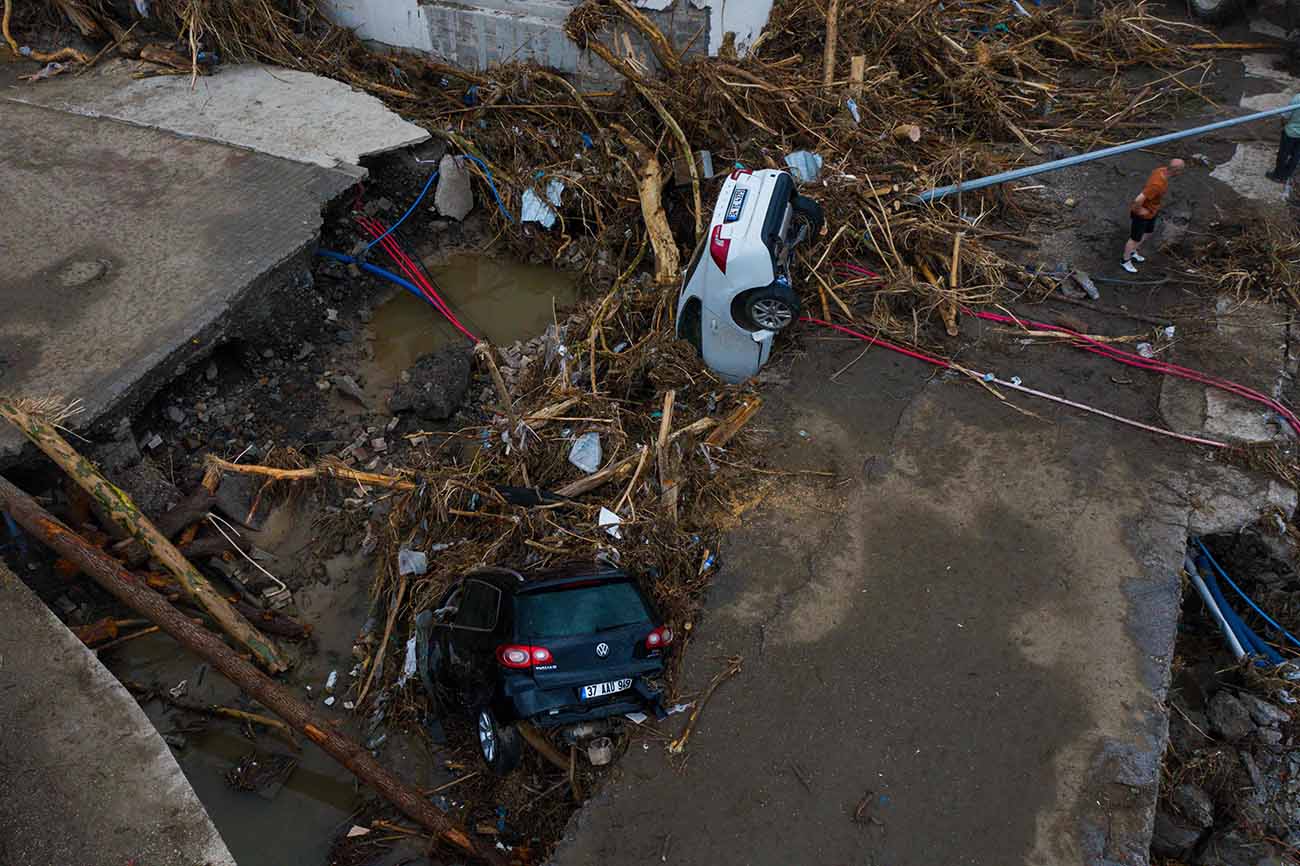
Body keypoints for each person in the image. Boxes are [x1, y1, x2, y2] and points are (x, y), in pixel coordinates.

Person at [1122, 158, 1184, 274]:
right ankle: (1125, 260)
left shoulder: (1160, 170)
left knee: (1149, 232)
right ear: (1175, 171)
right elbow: (1138, 199)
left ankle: (1133, 251)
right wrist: (1139, 210)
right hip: (1143, 215)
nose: (1181, 173)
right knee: (1135, 239)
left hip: (1151, 212)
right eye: (1181, 170)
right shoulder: (1157, 185)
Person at [1266, 92, 1300, 184]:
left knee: (1283, 154)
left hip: (1290, 133)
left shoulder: (1297, 99)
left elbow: (1285, 117)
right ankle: (1286, 175)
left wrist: (1282, 125)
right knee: (1296, 156)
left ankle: (1277, 175)